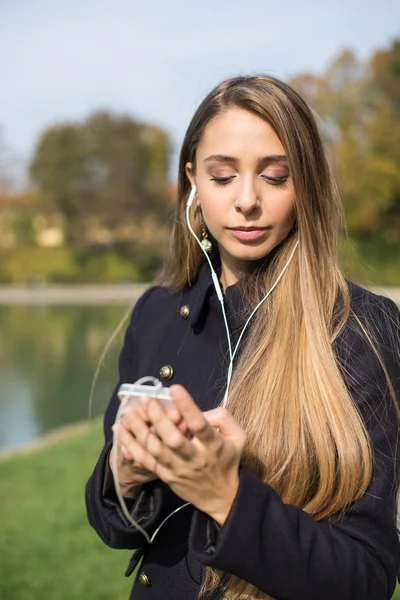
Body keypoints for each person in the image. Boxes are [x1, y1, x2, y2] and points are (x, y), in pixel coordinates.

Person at [85, 75, 400, 600]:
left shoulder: (363, 330)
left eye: (276, 177)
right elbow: (114, 528)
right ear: (192, 182)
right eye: (223, 176)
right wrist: (126, 471)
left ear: (308, 186)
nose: (247, 200)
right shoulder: (157, 314)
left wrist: (227, 496)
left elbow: (367, 580)